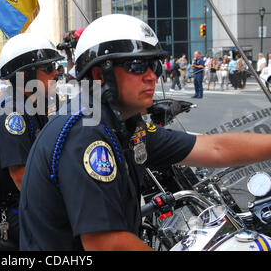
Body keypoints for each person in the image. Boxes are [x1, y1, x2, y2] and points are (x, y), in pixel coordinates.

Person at [18, 13, 271, 251]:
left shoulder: (125, 123)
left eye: (155, 65)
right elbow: (105, 243)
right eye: (138, 66)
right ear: (99, 74)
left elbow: (214, 148)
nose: (152, 76)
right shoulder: (86, 132)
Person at [0, 33, 62, 244]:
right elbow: (21, 177)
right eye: (48, 69)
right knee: (65, 234)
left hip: (14, 201)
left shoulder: (34, 102)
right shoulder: (13, 113)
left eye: (56, 67)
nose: (56, 73)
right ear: (26, 75)